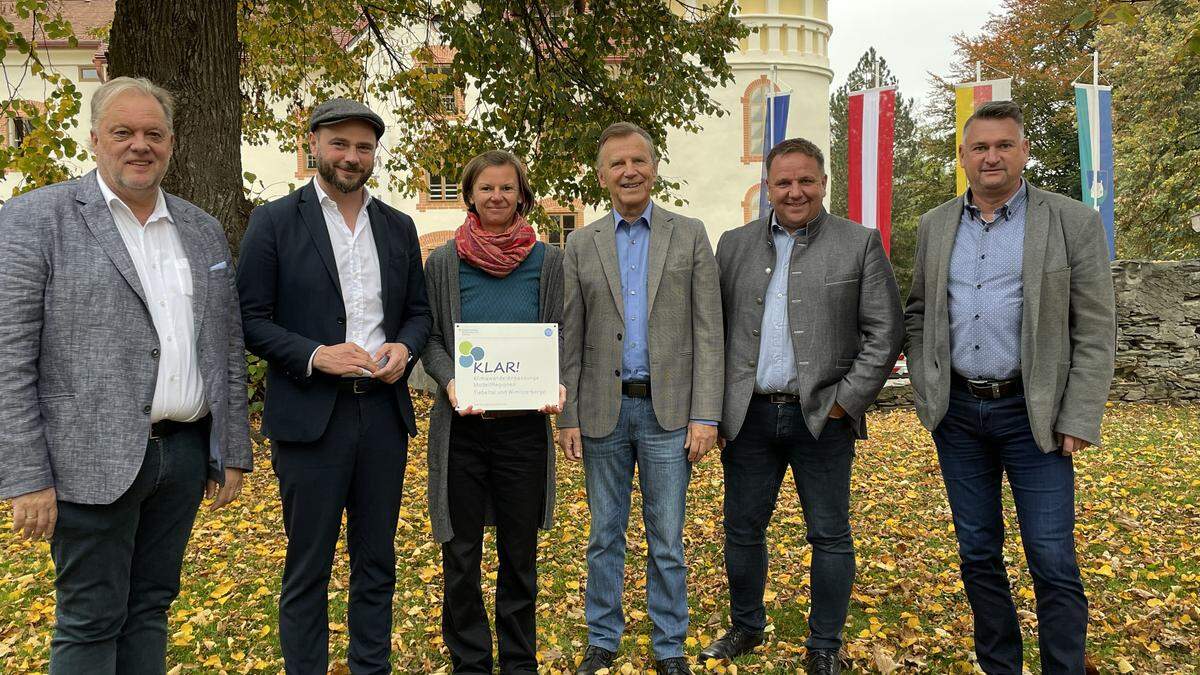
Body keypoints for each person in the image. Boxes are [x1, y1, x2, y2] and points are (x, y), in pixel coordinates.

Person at [0, 76, 252, 673]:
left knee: (151, 609)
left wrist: (231, 447)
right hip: (85, 460)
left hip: (183, 457)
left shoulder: (201, 228)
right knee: (89, 621)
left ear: (171, 143)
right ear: (94, 140)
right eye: (123, 132)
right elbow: (8, 359)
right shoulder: (37, 219)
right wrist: (25, 477)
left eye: (153, 134)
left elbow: (226, 343)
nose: (140, 145)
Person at [904, 100, 1115, 674]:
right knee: (977, 554)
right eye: (979, 147)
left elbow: (1095, 327)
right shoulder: (936, 224)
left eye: (1003, 145)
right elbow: (921, 311)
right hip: (959, 415)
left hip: (1035, 414)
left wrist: (1079, 414)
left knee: (1051, 557)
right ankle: (1001, 666)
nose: (991, 156)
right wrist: (929, 390)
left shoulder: (1072, 222)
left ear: (1023, 151)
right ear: (964, 156)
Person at [236, 98, 431, 674]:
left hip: (382, 417)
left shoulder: (397, 225)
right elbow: (249, 318)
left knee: (377, 562)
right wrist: (315, 355)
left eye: (363, 146)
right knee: (308, 566)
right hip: (310, 418)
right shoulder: (274, 221)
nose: (351, 156)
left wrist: (406, 346)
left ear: (375, 154)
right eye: (339, 144)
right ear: (314, 144)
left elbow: (418, 312)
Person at [701, 138, 903, 674]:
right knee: (743, 528)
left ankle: (824, 645)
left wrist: (845, 403)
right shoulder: (734, 245)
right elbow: (713, 329)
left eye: (805, 180)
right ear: (768, 188)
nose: (795, 191)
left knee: (829, 532)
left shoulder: (859, 243)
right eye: (783, 182)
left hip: (822, 417)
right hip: (749, 415)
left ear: (823, 183)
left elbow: (885, 333)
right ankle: (746, 625)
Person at [559, 122, 723, 675]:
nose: (629, 172)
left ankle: (669, 646)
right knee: (604, 535)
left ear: (654, 168)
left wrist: (706, 415)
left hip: (669, 413)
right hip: (602, 413)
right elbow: (571, 336)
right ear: (602, 176)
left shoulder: (690, 233)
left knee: (667, 538)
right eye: (617, 164)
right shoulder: (581, 243)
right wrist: (568, 417)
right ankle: (603, 638)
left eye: (638, 161)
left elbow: (709, 331)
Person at [420, 149, 565, 674]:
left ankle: (519, 662)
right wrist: (450, 379)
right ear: (470, 195)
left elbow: (561, 335)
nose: (497, 197)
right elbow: (432, 338)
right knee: (459, 558)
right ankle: (471, 662)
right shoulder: (442, 262)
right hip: (461, 429)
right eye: (487, 188)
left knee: (519, 555)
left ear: (522, 195)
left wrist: (557, 381)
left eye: (507, 188)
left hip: (524, 432)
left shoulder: (548, 261)